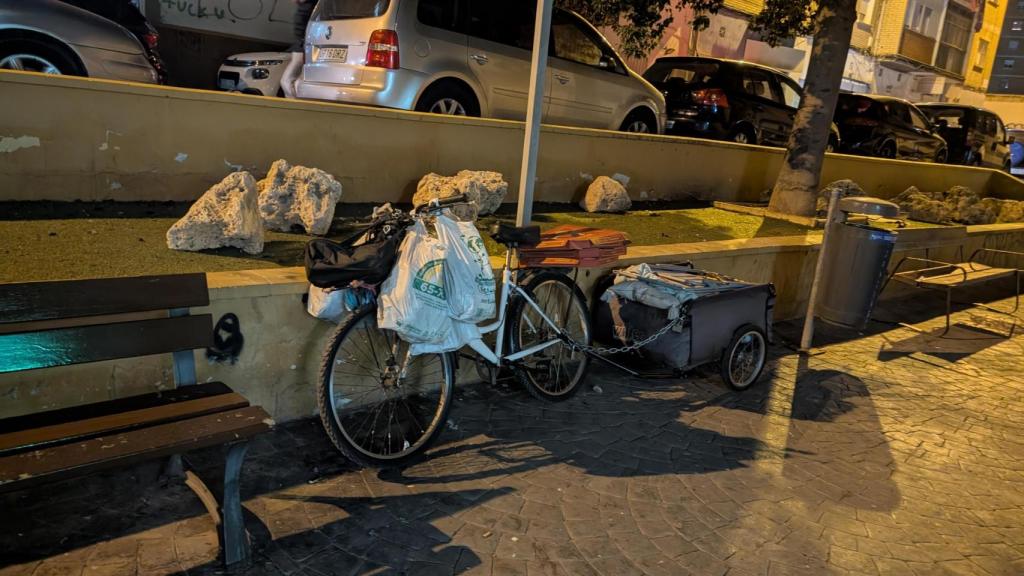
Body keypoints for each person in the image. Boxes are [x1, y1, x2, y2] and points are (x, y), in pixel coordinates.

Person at [281, 0, 316, 98]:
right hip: (301, 46)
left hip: (303, 46)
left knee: (287, 81)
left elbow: (304, 28)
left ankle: (295, 105)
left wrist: (302, 43)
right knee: (292, 81)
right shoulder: (306, 6)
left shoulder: (308, 6)